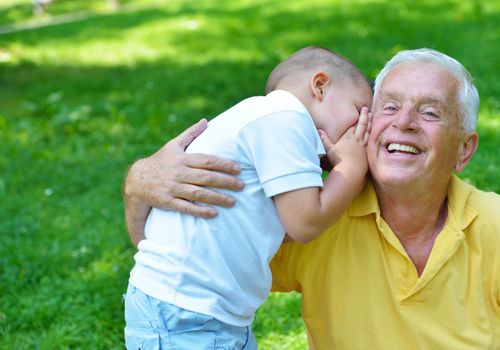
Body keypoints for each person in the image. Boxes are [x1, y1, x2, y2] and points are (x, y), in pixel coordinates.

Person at [124, 48, 500, 349]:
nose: (403, 122)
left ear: (464, 150)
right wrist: (138, 183)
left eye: (431, 113)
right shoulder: (318, 211)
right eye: (386, 107)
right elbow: (184, 258)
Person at [124, 46, 373, 349]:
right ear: (320, 86)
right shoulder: (285, 118)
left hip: (200, 308)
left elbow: (282, 229)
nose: (362, 128)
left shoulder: (266, 121)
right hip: (187, 312)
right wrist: (351, 167)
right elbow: (305, 224)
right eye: (359, 111)